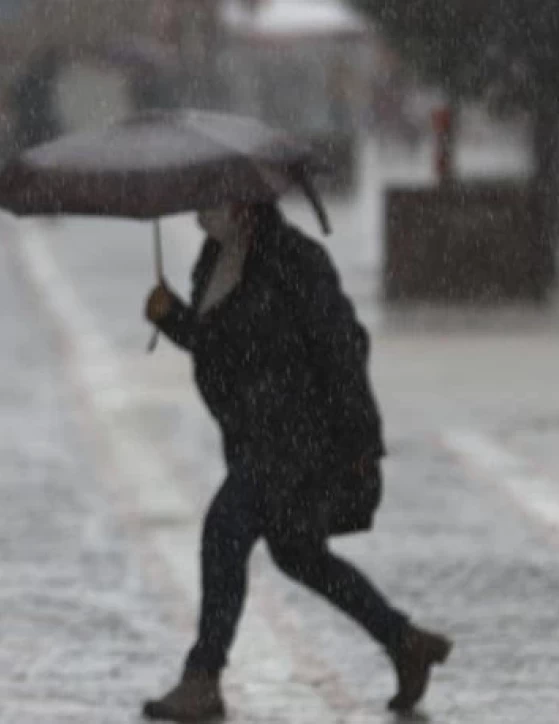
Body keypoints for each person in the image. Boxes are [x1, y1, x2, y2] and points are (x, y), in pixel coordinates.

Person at [140, 203, 451, 721]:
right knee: (297, 552)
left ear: (246, 202)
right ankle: (405, 641)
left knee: (225, 530)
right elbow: (220, 347)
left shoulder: (295, 259)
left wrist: (360, 441)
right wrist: (172, 317)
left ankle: (203, 677)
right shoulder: (215, 259)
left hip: (297, 434)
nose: (204, 210)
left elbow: (342, 347)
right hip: (255, 434)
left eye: (215, 198)